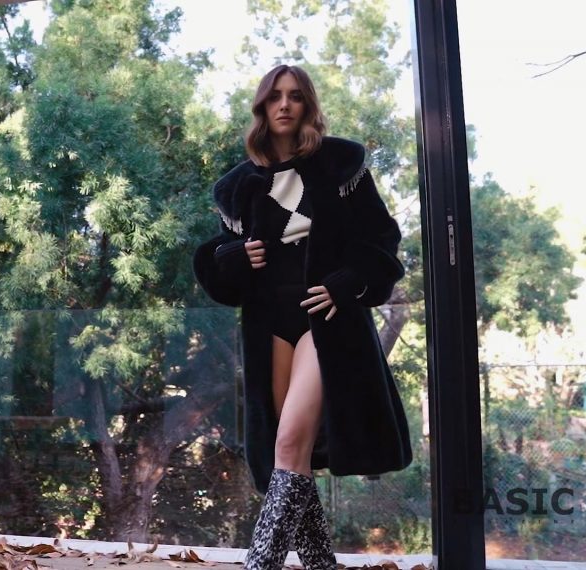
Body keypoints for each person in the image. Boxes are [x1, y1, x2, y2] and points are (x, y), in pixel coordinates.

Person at [192, 64, 413, 570]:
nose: (285, 104)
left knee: (290, 443)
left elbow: (382, 238)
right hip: (270, 324)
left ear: (308, 105)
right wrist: (233, 257)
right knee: (289, 454)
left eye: (295, 96)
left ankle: (260, 565)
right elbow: (222, 269)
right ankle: (320, 565)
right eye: (275, 97)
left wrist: (348, 280)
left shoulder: (341, 165)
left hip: (325, 320)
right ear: (262, 107)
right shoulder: (238, 186)